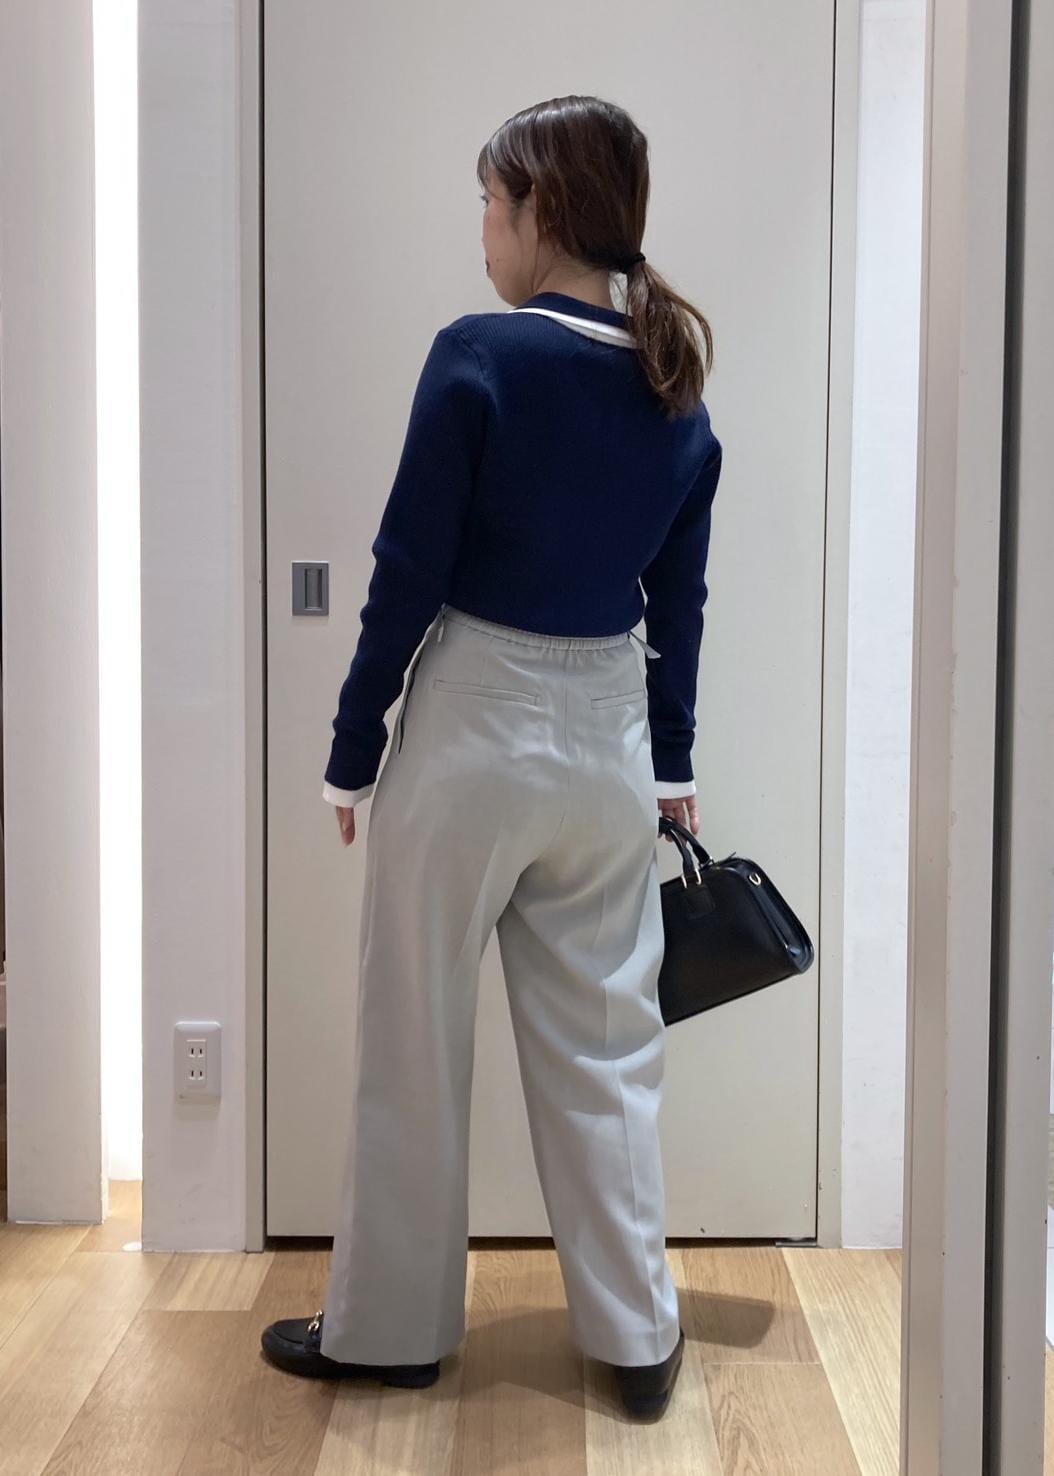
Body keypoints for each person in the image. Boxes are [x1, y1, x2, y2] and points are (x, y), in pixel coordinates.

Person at [261, 93, 722, 1422]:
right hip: (607, 744)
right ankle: (638, 1339)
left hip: (472, 726)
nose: (480, 229)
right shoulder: (674, 392)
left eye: (489, 201)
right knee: (607, 1045)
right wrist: (671, 767)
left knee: (411, 1035)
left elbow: (406, 571)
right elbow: (678, 607)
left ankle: (393, 1329)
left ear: (542, 211)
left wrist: (353, 749)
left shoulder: (477, 356)